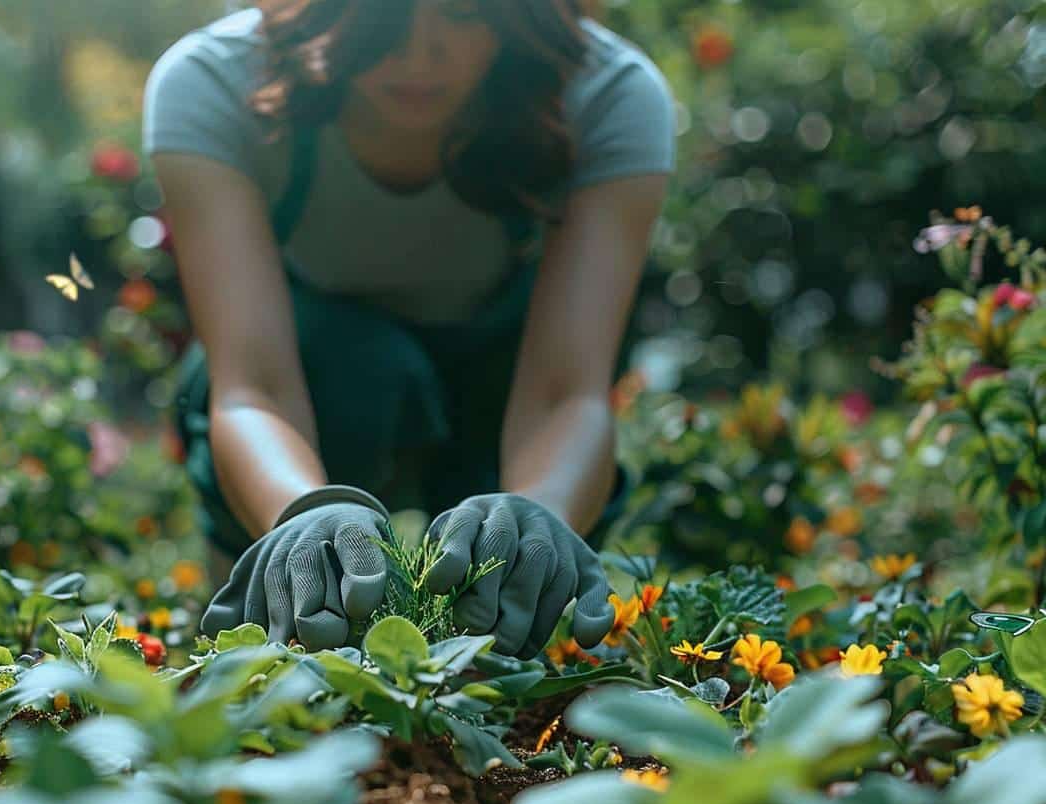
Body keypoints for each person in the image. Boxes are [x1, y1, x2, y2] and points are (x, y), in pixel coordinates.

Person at [143, 0, 676, 659]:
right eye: (384, 13)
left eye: (463, 12)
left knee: (504, 586)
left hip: (500, 379)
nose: (421, 53)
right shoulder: (214, 84)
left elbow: (569, 390)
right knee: (359, 368)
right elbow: (254, 387)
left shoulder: (607, 95)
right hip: (322, 383)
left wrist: (542, 517)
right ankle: (273, 587)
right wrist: (303, 514)